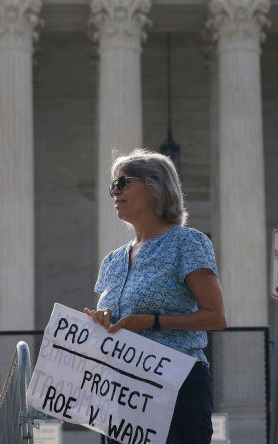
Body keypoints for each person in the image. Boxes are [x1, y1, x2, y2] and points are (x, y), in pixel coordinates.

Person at [86, 149, 227, 444]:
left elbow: (216, 317)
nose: (114, 191)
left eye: (123, 183)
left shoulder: (188, 242)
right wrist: (101, 320)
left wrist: (152, 321)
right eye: (112, 185)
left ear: (155, 187)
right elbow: (115, 320)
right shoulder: (112, 259)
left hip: (176, 385)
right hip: (122, 390)